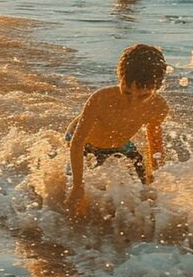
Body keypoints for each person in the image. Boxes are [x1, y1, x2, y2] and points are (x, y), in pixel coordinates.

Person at [64, 43, 169, 218]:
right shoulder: (101, 98)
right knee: (70, 193)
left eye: (143, 95)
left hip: (121, 145)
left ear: (158, 87)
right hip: (83, 142)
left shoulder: (158, 107)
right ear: (120, 78)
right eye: (127, 92)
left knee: (148, 188)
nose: (133, 102)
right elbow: (77, 142)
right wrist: (77, 187)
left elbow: (156, 148)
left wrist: (160, 178)